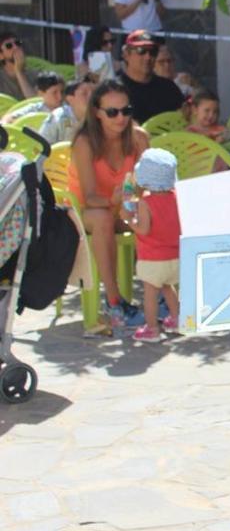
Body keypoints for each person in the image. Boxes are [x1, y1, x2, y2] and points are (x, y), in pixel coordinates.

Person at [67, 79, 152, 328]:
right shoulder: (85, 142)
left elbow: (150, 184)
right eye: (112, 112)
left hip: (126, 209)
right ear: (97, 112)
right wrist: (113, 200)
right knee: (103, 216)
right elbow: (90, 196)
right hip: (87, 211)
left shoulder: (138, 138)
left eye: (126, 110)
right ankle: (114, 302)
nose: (120, 118)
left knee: (163, 209)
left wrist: (133, 197)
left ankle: (163, 296)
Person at [121, 148, 181, 342]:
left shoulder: (146, 202)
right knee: (168, 287)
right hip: (175, 257)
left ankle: (152, 328)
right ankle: (177, 319)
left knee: (150, 294)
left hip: (152, 258)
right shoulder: (175, 197)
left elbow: (144, 229)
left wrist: (129, 220)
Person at [116, 30, 185, 124]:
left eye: (152, 51)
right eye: (141, 51)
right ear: (126, 55)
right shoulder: (116, 90)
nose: (148, 57)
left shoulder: (168, 87)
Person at [40, 79, 92, 145]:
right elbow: (41, 146)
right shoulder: (58, 118)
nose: (91, 97)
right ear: (70, 99)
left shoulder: (100, 117)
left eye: (93, 92)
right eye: (84, 94)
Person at [0, 32, 35, 99]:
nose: (16, 47)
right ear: (1, 56)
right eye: (9, 46)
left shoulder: (35, 74)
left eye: (18, 43)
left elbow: (36, 102)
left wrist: (19, 72)